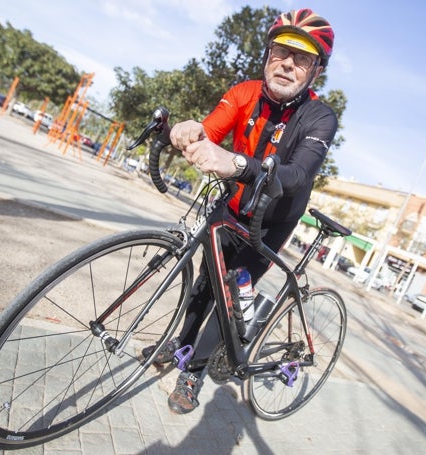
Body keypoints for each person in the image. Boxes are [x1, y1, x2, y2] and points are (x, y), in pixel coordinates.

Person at [143, 8, 338, 414]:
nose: (287, 63)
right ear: (268, 54)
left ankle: (192, 374)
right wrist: (189, 129)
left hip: (270, 224)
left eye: (301, 58)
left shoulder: (319, 117)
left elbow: (299, 174)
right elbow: (210, 131)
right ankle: (180, 346)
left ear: (315, 71)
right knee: (202, 283)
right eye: (281, 51)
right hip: (229, 207)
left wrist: (235, 164)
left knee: (231, 291)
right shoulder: (244, 91)